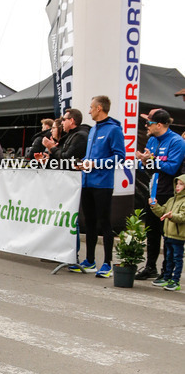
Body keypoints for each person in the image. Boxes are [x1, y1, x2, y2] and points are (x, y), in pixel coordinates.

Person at [68, 95, 125, 278]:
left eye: (91, 107)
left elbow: (120, 157)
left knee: (104, 223)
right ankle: (90, 260)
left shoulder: (114, 130)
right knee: (89, 222)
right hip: (87, 181)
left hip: (103, 184)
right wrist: (83, 163)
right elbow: (90, 156)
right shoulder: (93, 130)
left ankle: (107, 264)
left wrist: (95, 164)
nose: (89, 111)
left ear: (99, 108)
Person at [135, 109, 185, 281]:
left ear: (159, 125)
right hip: (153, 190)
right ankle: (150, 267)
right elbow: (145, 168)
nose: (146, 126)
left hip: (169, 193)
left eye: (149, 123)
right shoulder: (152, 140)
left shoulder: (176, 141)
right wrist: (143, 161)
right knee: (151, 231)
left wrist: (152, 160)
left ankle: (167, 271)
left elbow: (172, 168)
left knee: (168, 235)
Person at [149, 175, 185, 291]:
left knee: (177, 259)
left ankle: (176, 281)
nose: (177, 186)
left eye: (181, 184)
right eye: (177, 184)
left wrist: (171, 216)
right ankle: (167, 277)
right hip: (168, 235)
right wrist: (154, 206)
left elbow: (182, 217)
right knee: (168, 258)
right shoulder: (171, 200)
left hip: (178, 236)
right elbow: (162, 212)